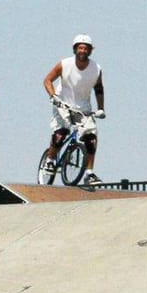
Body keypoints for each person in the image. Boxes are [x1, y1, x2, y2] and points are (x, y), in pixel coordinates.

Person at [41, 34, 106, 187]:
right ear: (75, 49)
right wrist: (53, 96)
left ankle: (89, 173)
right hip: (62, 103)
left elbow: (99, 88)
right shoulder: (64, 64)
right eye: (80, 48)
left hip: (83, 108)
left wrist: (101, 108)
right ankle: (50, 160)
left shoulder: (96, 69)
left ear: (90, 51)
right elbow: (47, 80)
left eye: (86, 48)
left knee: (91, 139)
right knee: (61, 134)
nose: (82, 50)